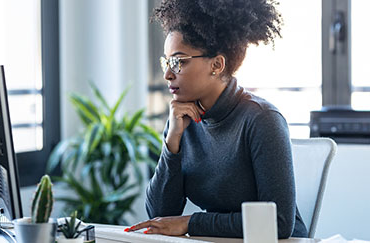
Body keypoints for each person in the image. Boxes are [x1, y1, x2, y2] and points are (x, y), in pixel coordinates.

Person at [124, 0, 308, 238]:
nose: (167, 74)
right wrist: (172, 143)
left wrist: (192, 223)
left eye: (178, 62)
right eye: (166, 62)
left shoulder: (262, 120)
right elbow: (160, 214)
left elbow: (278, 224)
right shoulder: (182, 120)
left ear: (217, 65)